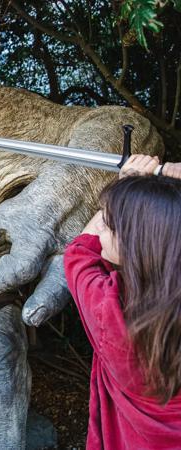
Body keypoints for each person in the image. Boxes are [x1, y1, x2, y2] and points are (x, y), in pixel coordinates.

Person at [63, 154, 181, 449]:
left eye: (110, 220)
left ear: (136, 243)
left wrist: (126, 182)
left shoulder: (109, 310)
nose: (102, 226)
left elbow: (79, 253)